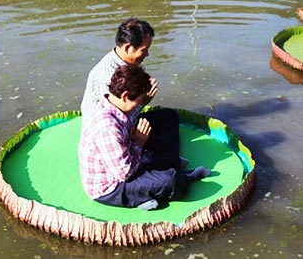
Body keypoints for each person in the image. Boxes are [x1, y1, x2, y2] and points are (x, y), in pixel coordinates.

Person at [78, 65, 211, 210]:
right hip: (113, 185)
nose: (141, 103)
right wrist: (138, 143)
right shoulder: (107, 126)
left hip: (128, 154)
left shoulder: (116, 103)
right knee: (171, 181)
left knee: (168, 116)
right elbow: (124, 174)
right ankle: (180, 177)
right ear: (125, 96)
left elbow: (130, 121)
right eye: (140, 100)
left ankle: (169, 166)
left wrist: (139, 140)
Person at [80, 17, 181, 171]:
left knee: (169, 116)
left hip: (124, 118)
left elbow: (126, 108)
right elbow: (119, 118)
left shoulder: (125, 63)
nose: (147, 54)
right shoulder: (107, 75)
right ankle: (169, 161)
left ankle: (168, 158)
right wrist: (143, 103)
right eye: (144, 49)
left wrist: (142, 101)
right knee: (165, 151)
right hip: (111, 131)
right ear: (128, 48)